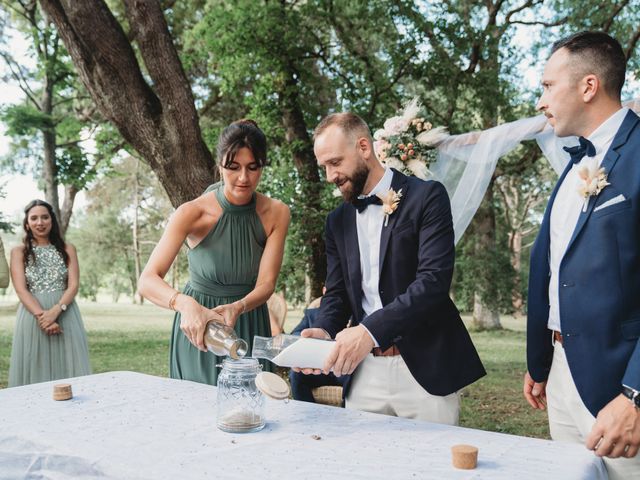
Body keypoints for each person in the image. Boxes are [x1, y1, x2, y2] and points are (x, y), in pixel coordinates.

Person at [298, 112, 486, 424]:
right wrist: (324, 329)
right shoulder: (337, 221)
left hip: (424, 370)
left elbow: (432, 283)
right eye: (325, 167)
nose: (330, 175)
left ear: (363, 147)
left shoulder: (427, 197)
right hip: (364, 373)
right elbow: (338, 293)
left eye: (335, 162)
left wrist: (369, 332)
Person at [524, 31, 640, 478]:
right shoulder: (574, 163)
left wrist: (634, 395)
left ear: (588, 86)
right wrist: (542, 360)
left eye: (548, 86)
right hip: (560, 375)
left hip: (619, 385)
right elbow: (554, 266)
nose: (541, 101)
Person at [138, 119, 290, 385]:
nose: (243, 178)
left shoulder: (277, 212)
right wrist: (185, 304)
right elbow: (147, 280)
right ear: (220, 165)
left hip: (250, 321)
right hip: (200, 328)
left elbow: (267, 284)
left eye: (253, 168)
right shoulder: (191, 212)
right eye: (233, 167)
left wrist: (239, 306)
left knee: (251, 413)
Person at [8, 199, 91, 387]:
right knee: (34, 365)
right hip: (32, 315)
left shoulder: (68, 249)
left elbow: (73, 285)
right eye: (34, 218)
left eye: (45, 217)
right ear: (27, 223)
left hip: (66, 312)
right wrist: (43, 317)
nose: (40, 222)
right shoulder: (18, 252)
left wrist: (56, 311)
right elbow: (21, 289)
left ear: (52, 220)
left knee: (70, 367)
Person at [289, 297, 345, 404]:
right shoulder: (311, 314)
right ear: (324, 292)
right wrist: (306, 339)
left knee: (356, 378)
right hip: (319, 368)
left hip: (344, 368)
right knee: (296, 374)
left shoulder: (356, 311)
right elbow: (295, 334)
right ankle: (306, 413)